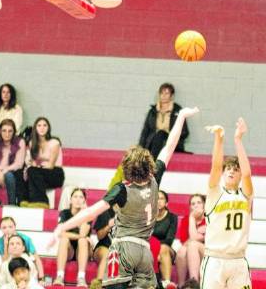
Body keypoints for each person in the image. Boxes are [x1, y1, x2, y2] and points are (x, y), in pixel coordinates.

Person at [50, 106, 199, 289]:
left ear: (127, 169)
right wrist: (182, 115)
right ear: (149, 166)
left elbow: (90, 212)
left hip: (121, 249)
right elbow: (169, 146)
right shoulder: (154, 180)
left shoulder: (122, 189)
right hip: (143, 250)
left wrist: (63, 226)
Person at [201, 118, 253, 289]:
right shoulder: (215, 192)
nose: (232, 171)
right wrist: (219, 139)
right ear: (224, 173)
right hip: (215, 260)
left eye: (235, 169)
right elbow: (215, 167)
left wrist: (238, 140)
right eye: (228, 168)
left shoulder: (245, 195)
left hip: (238, 260)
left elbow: (247, 173)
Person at [15, 117, 64, 208]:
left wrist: (34, 167)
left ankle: (41, 201)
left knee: (32, 171)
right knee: (20, 173)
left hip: (55, 173)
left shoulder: (54, 142)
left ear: (48, 128)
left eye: (45, 125)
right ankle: (23, 200)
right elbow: (33, 163)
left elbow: (50, 165)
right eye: (39, 125)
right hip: (38, 173)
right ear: (35, 128)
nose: (42, 128)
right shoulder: (32, 143)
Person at [139, 83, 190, 157]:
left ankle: (152, 163)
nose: (163, 96)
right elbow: (145, 131)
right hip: (153, 142)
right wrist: (140, 148)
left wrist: (173, 138)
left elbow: (185, 132)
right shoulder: (152, 111)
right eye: (161, 93)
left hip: (171, 143)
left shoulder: (178, 111)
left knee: (161, 133)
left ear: (172, 96)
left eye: (166, 93)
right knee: (157, 135)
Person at [54, 188, 91, 287]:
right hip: (69, 250)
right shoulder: (65, 213)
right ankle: (60, 276)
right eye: (75, 197)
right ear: (70, 200)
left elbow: (83, 233)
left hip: (83, 249)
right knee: (64, 239)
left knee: (83, 241)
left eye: (81, 197)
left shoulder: (88, 214)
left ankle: (81, 277)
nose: (78, 199)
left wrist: (84, 213)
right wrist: (79, 236)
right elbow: (61, 233)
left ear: (84, 200)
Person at [0, 217, 44, 283]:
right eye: (4, 228)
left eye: (10, 227)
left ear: (15, 227)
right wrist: (6, 245)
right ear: (1, 229)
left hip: (25, 263)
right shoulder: (0, 241)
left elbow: (37, 259)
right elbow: (5, 261)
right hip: (11, 264)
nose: (7, 230)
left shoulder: (25, 238)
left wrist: (41, 278)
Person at [176, 194, 206, 286]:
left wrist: (192, 218)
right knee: (182, 251)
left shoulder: (210, 218)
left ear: (204, 205)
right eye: (193, 204)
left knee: (192, 245)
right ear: (190, 207)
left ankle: (194, 284)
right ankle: (181, 285)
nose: (196, 205)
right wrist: (197, 231)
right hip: (191, 253)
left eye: (199, 203)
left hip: (209, 252)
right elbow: (185, 243)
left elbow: (193, 240)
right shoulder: (186, 220)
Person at [152, 190, 178, 288]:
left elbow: (169, 240)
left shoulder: (172, 217)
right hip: (149, 249)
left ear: (166, 203)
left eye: (161, 198)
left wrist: (156, 250)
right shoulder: (147, 216)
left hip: (167, 249)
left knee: (163, 247)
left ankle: (167, 283)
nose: (158, 201)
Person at [92, 206, 116, 282]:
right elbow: (99, 236)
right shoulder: (105, 212)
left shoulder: (129, 214)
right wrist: (108, 226)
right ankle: (98, 284)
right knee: (109, 255)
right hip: (104, 246)